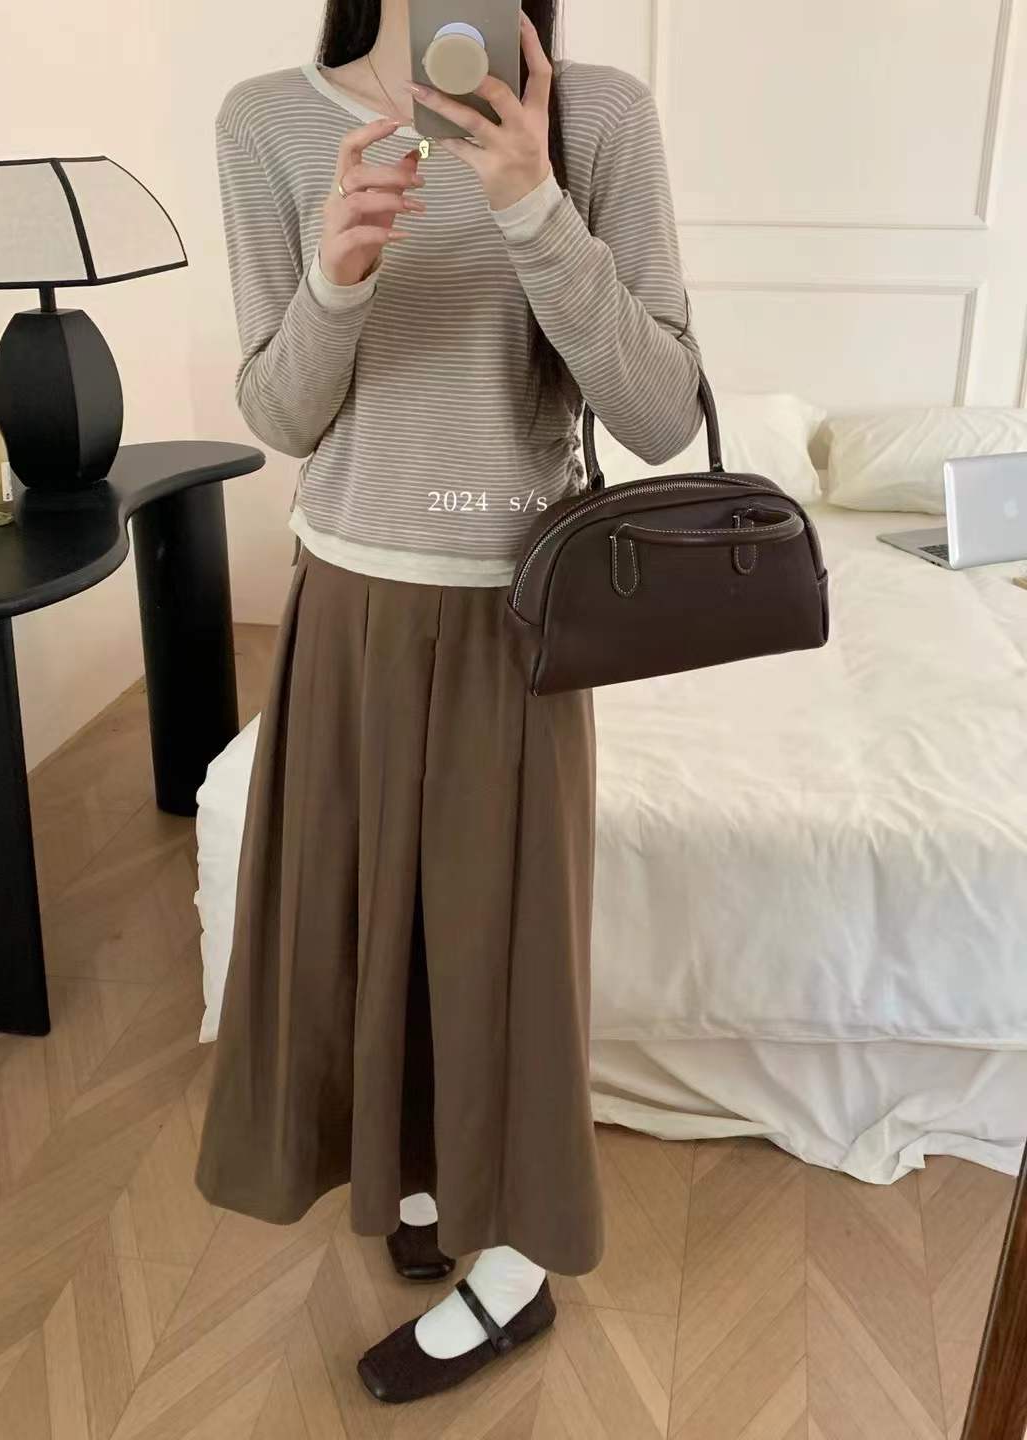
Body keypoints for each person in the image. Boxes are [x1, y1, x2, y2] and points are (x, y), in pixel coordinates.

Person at [193, 0, 703, 1406]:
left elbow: (663, 414)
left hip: (514, 617)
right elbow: (281, 417)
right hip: (344, 609)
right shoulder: (264, 121)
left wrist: (534, 204)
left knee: (503, 949)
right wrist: (336, 282)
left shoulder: (597, 115)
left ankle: (519, 1267)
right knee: (363, 930)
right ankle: (419, 1175)